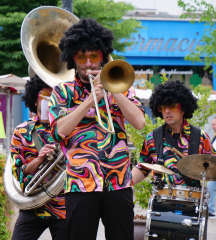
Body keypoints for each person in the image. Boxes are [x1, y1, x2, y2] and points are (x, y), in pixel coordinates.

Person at [48, 18, 145, 240]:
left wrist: (114, 90)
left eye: (94, 57)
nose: (89, 63)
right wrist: (89, 101)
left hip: (118, 180)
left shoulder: (120, 84)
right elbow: (58, 131)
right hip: (81, 182)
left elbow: (139, 122)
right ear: (73, 59)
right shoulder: (62, 91)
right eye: (82, 57)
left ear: (103, 56)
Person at [132, 80, 216, 240]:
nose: (167, 111)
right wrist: (122, 183)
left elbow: (215, 167)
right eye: (163, 107)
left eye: (172, 106)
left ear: (183, 108)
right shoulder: (152, 138)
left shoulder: (201, 138)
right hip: (161, 206)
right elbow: (143, 168)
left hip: (193, 206)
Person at [11, 76, 67, 240]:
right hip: (33, 206)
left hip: (64, 207)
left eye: (55, 98)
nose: (50, 101)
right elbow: (19, 173)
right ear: (34, 101)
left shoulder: (70, 129)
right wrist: (39, 159)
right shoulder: (22, 131)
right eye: (45, 97)